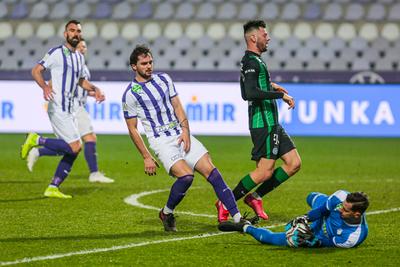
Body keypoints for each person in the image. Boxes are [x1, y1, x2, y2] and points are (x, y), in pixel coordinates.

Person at [122, 45, 243, 231]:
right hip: (161, 141)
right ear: (134, 67)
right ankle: (166, 213)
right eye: (144, 63)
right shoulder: (130, 94)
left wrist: (185, 130)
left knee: (213, 173)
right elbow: (132, 129)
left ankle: (238, 218)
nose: (148, 66)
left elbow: (177, 105)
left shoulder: (164, 79)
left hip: (180, 134)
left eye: (150, 62)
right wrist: (146, 156)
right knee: (186, 177)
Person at [216, 20, 300, 222]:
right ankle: (226, 202)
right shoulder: (252, 62)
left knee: (294, 163)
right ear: (253, 37)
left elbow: (247, 88)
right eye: (264, 34)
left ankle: (255, 197)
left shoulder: (252, 60)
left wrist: (272, 85)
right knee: (264, 172)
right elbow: (250, 93)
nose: (268, 37)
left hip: (272, 124)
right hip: (264, 124)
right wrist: (281, 96)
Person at [21, 20, 105, 199]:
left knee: (74, 149)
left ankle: (53, 186)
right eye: (72, 30)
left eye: (78, 31)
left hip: (70, 109)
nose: (75, 33)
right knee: (75, 146)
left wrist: (94, 89)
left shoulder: (79, 57)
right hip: (58, 106)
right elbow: (36, 70)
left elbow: (81, 81)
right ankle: (37, 139)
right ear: (65, 34)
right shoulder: (56, 53)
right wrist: (44, 86)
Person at [218, 190, 369, 248]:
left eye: (345, 210)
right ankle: (318, 200)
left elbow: (329, 243)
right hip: (323, 215)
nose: (341, 209)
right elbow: (323, 210)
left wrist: (312, 241)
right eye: (342, 205)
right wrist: (305, 217)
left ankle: (245, 227)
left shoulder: (353, 236)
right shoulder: (340, 198)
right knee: (311, 197)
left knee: (270, 240)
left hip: (319, 235)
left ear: (357, 214)